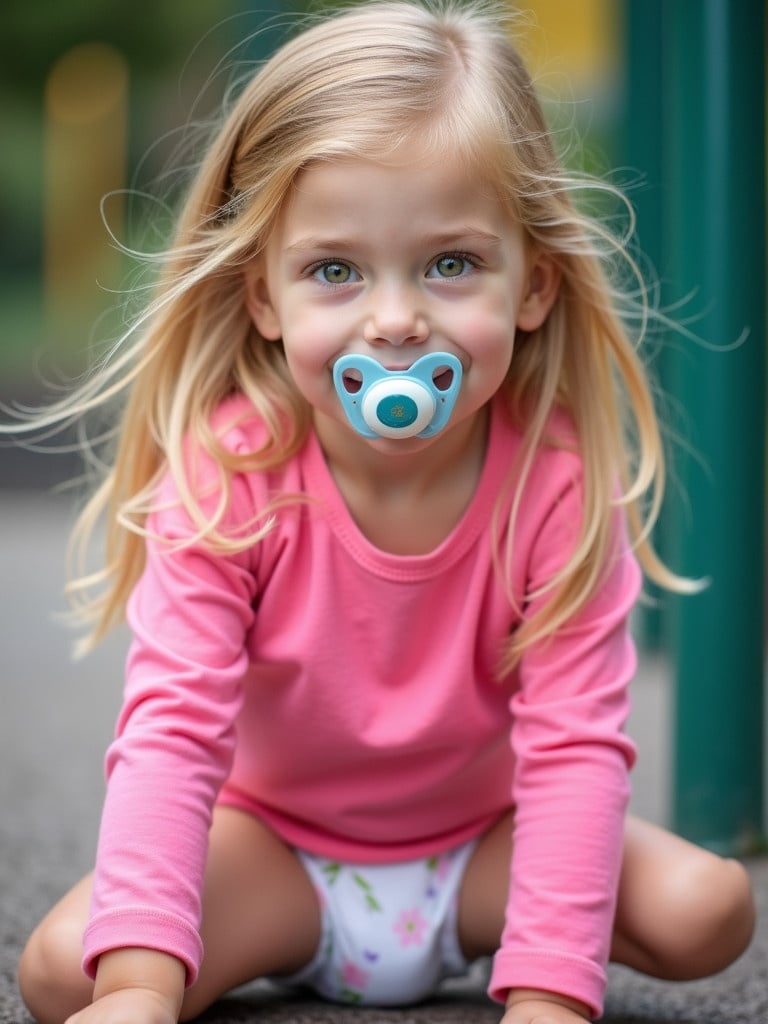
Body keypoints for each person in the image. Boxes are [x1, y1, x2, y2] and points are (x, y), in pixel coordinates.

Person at [15, 2, 755, 1023]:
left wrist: (551, 996)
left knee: (709, 908)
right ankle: (229, 950)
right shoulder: (228, 475)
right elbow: (173, 730)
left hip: (483, 852)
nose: (397, 318)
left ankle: (508, 948)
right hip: (276, 856)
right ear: (267, 299)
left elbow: (575, 750)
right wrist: (140, 987)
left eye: (451, 263)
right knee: (68, 970)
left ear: (531, 284)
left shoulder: (559, 484)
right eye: (335, 270)